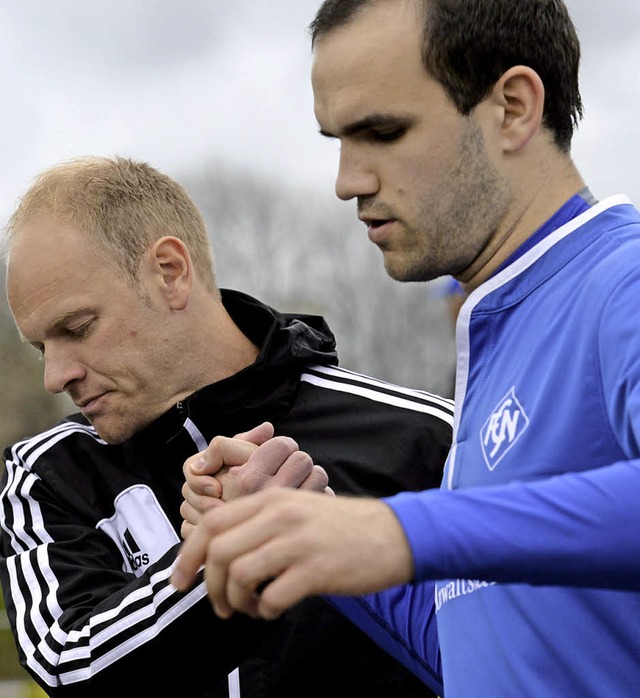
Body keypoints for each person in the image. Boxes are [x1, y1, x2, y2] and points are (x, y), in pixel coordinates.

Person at [171, 0, 640, 695]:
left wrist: (397, 530)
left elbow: (425, 536)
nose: (346, 181)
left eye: (382, 131)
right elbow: (481, 653)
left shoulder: (621, 279)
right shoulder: (498, 326)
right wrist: (309, 530)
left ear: (513, 108)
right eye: (337, 139)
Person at [0, 155, 454, 697]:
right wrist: (229, 553)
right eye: (40, 347)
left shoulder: (429, 437)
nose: (55, 376)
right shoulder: (44, 474)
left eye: (77, 328)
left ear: (170, 272)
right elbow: (74, 670)